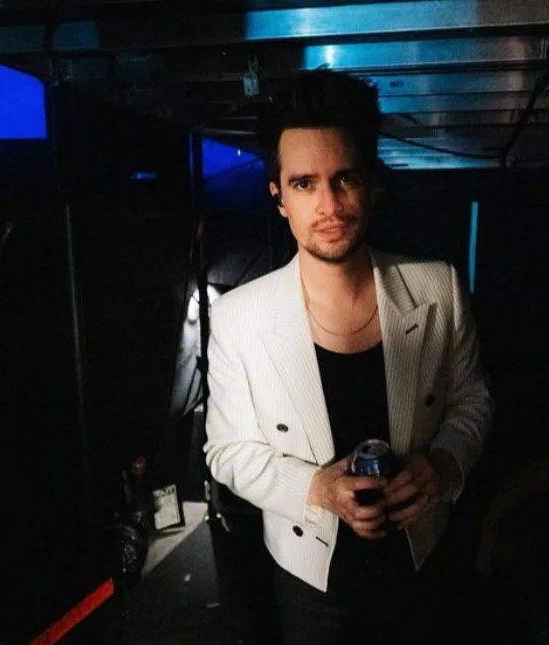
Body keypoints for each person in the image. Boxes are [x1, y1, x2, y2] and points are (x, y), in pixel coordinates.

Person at [203, 69, 495, 645]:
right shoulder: (239, 317)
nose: (330, 205)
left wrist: (442, 465)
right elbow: (226, 450)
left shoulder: (438, 287)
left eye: (345, 179)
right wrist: (315, 489)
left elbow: (474, 400)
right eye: (305, 184)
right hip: (309, 579)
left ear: (371, 182)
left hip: (424, 560)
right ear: (279, 197)